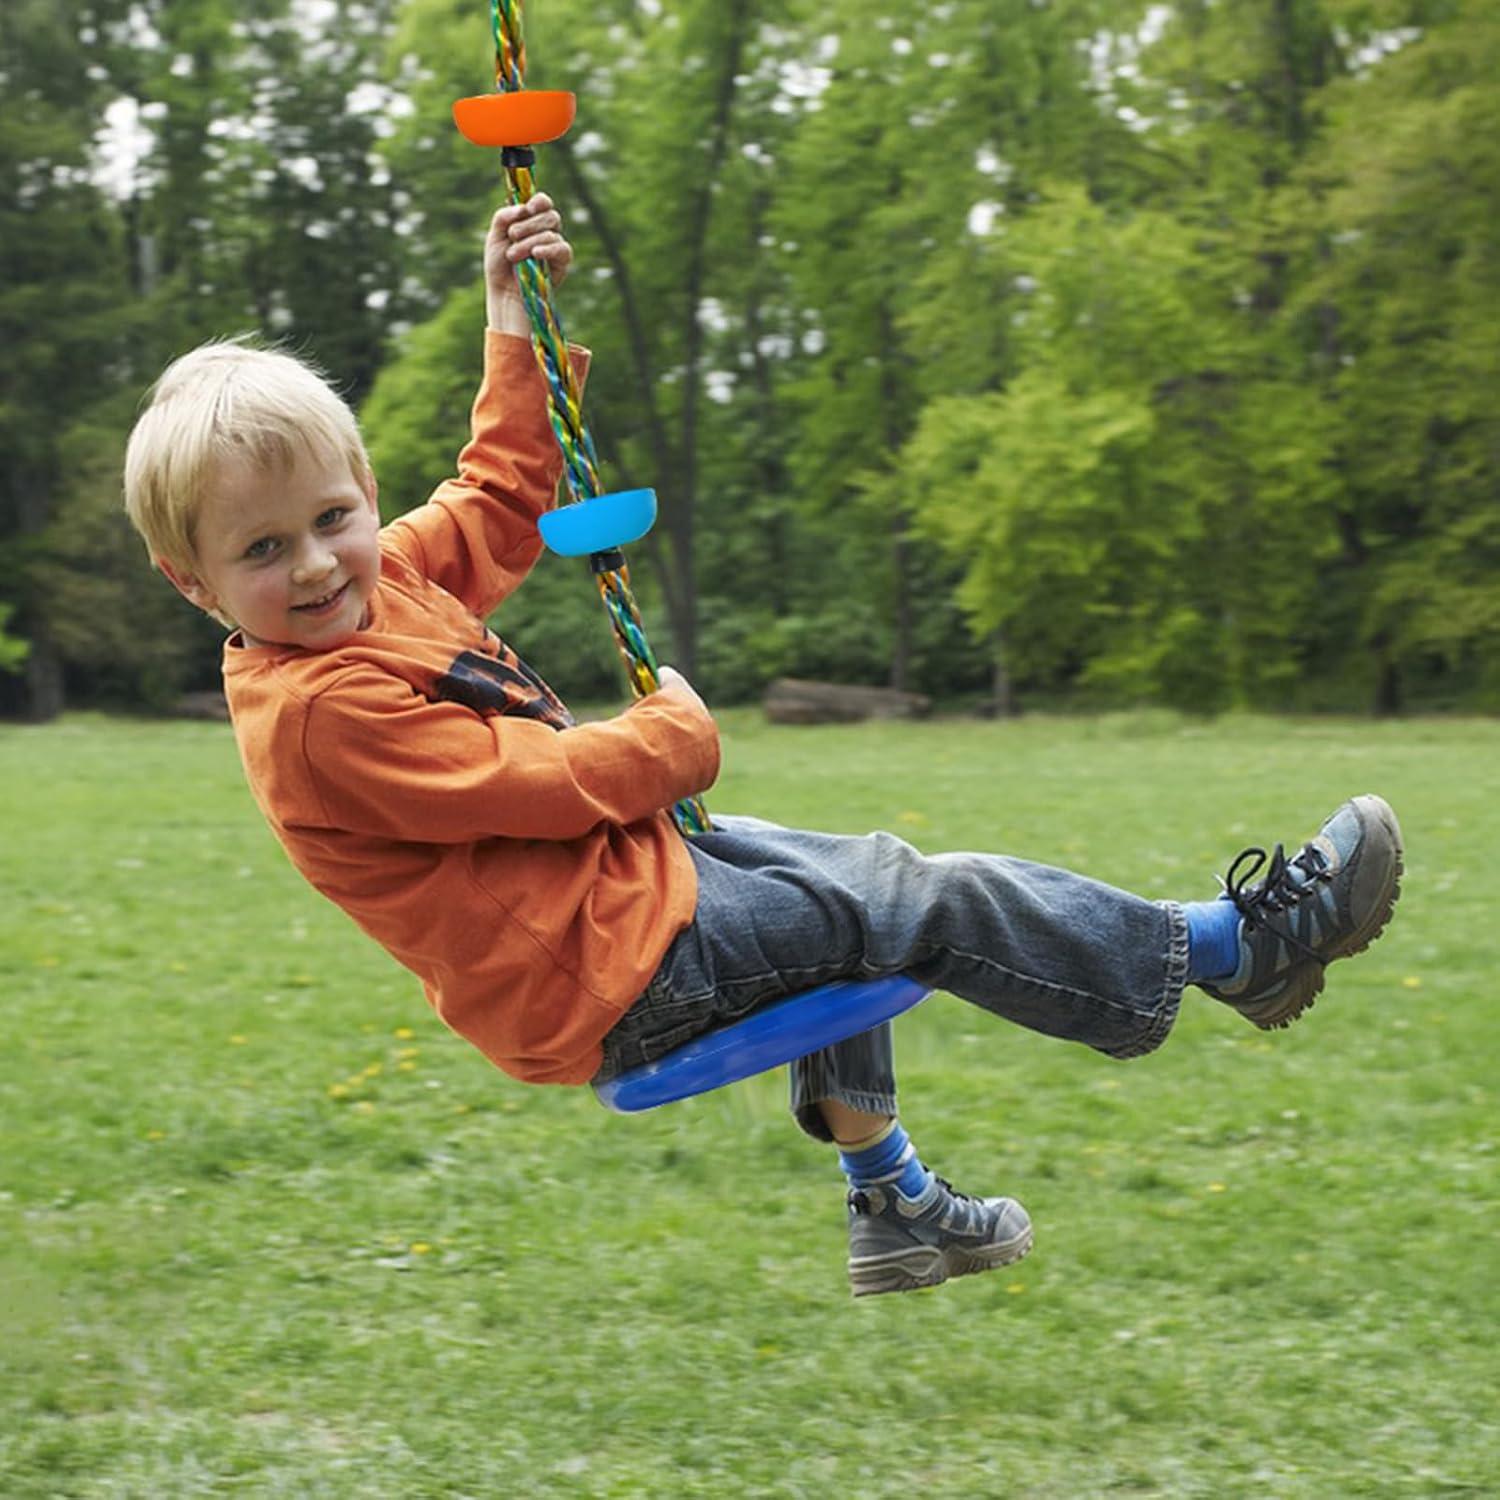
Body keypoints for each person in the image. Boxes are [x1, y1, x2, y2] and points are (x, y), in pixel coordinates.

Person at [124, 196, 1404, 1298]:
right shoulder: (315, 716)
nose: (318, 564)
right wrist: (672, 740)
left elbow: (501, 492)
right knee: (917, 901)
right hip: (607, 970)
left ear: (357, 491)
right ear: (194, 585)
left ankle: (895, 1207)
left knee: (864, 884)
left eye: (332, 516)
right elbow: (541, 788)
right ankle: (1234, 954)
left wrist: (510, 317)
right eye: (262, 549)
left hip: (633, 891)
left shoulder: (385, 578)